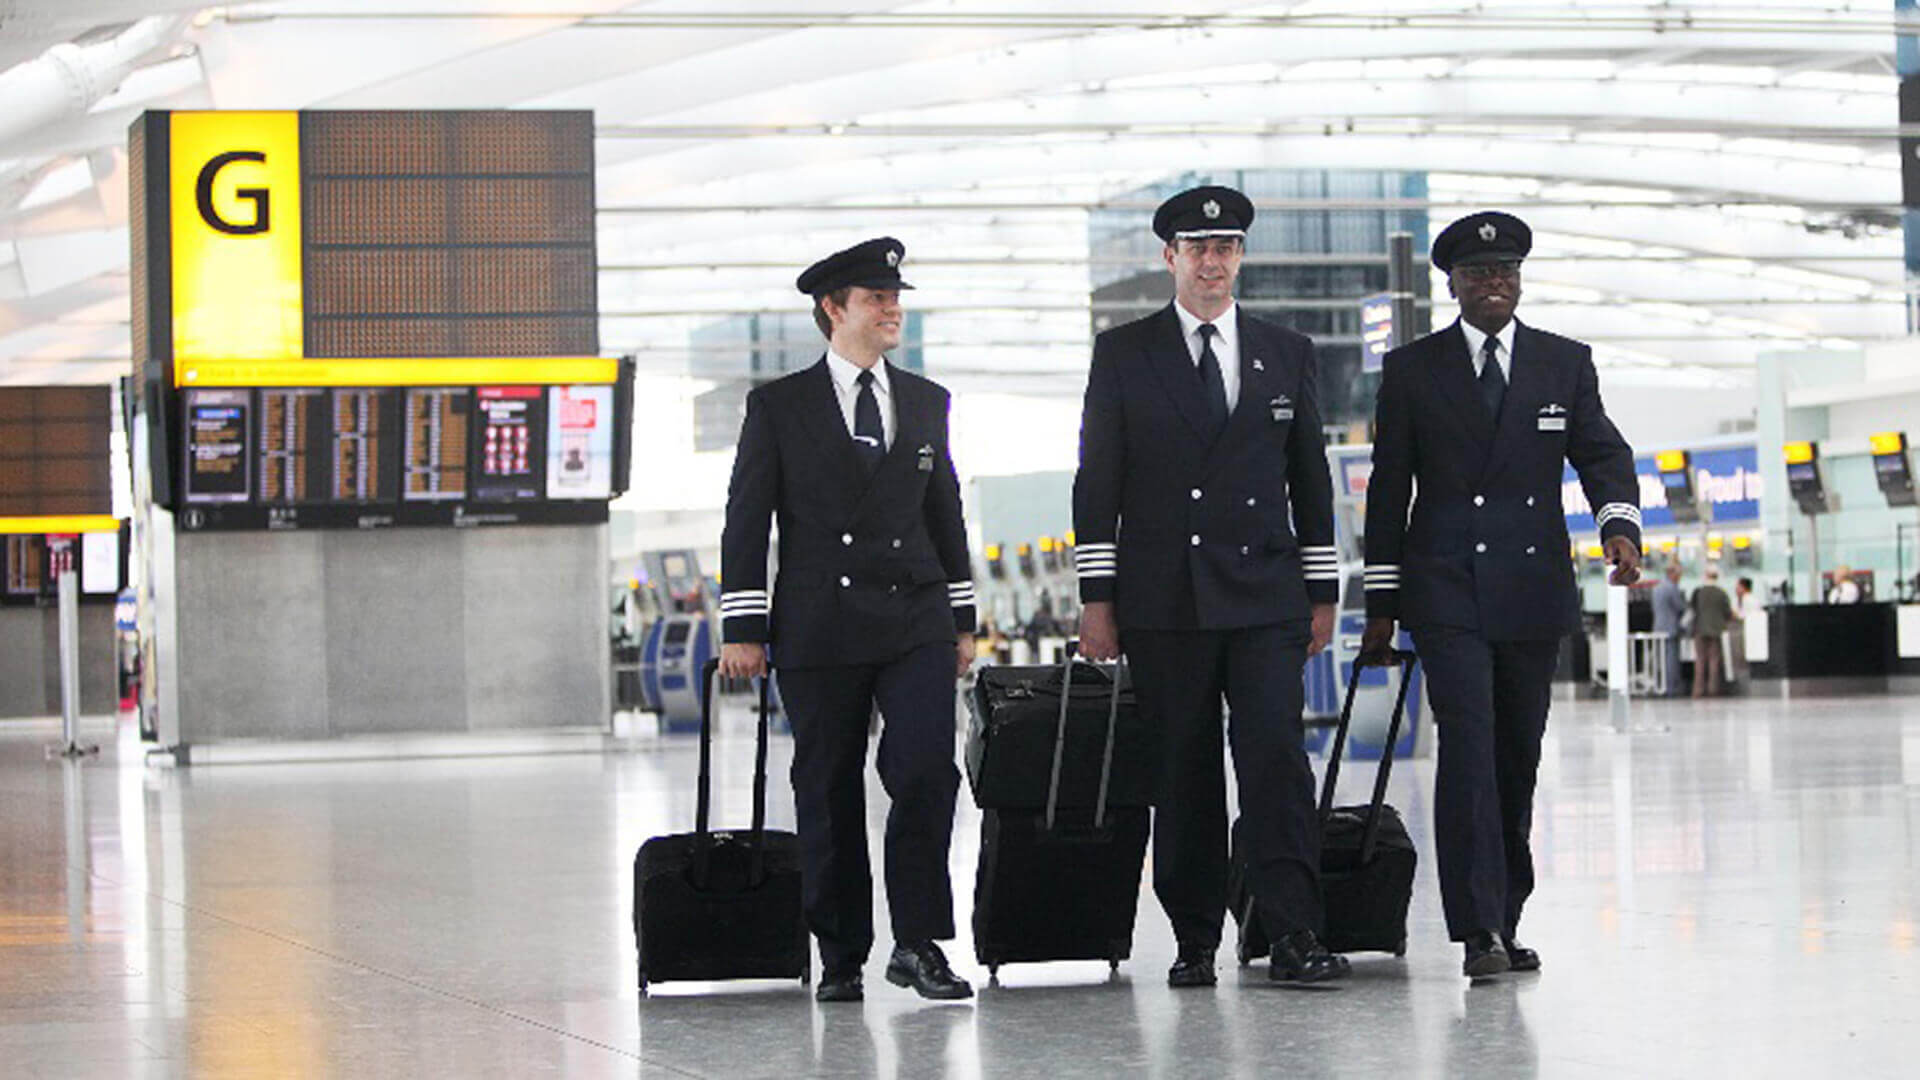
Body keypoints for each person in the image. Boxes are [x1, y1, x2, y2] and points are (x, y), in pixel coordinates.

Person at [1359, 210, 1643, 979]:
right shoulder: (1414, 371)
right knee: (1470, 754)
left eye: (1507, 273)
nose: (1496, 285)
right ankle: (1476, 927)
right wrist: (1380, 605)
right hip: (1445, 586)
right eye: (1481, 275)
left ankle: (1507, 915)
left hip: (1530, 588)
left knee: (1517, 756)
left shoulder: (1563, 363)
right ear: (1451, 286)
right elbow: (1388, 494)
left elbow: (1602, 454)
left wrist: (1620, 529)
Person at [1073, 185, 1345, 987]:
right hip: (1165, 599)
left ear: (1240, 258)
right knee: (1182, 771)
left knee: (1275, 763)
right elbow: (1099, 482)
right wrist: (1099, 598)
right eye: (1197, 249)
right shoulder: (1124, 353)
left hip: (1264, 592)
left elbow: (1310, 479)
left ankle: (1291, 931)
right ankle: (1194, 937)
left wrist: (1321, 590)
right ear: (1170, 258)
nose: (1213, 262)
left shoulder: (1285, 350)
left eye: (1225, 248)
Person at [717, 237, 978, 1003]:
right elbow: (746, 518)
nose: (893, 309)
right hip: (819, 621)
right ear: (834, 310)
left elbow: (946, 514)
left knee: (928, 769)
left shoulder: (928, 401)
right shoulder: (779, 406)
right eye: (876, 299)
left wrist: (963, 618)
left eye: (896, 298)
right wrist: (743, 626)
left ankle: (920, 942)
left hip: (916, 615)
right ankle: (839, 952)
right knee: (827, 785)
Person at [1690, 567, 1733, 698]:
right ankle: (1713, 689)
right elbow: (1727, 612)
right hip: (1716, 630)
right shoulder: (1721, 593)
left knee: (1700, 660)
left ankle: (1698, 690)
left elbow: (1693, 609)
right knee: (1714, 660)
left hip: (1700, 629)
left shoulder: (1698, 592)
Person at [1651, 564, 1688, 697]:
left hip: (1658, 627)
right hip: (1670, 629)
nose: (1679, 578)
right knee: (1671, 660)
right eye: (1679, 576)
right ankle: (1671, 687)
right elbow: (1679, 607)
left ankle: (1660, 686)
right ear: (1673, 575)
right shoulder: (1672, 588)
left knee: (1660, 659)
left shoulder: (1657, 587)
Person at [1729, 576, 1760, 683]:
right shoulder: (1735, 600)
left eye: (1738, 587)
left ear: (1744, 587)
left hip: (1748, 632)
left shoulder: (1752, 600)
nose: (1736, 589)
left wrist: (1737, 615)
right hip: (1737, 630)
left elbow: (1750, 616)